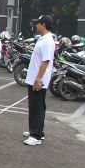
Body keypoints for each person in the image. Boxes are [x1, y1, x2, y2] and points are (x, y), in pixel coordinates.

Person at [23, 15, 55, 146]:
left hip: (38, 79)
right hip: (35, 78)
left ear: (43, 25)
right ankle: (36, 131)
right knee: (38, 106)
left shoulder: (47, 41)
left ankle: (35, 136)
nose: (36, 25)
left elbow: (45, 61)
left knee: (37, 107)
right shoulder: (43, 39)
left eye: (38, 23)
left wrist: (38, 79)